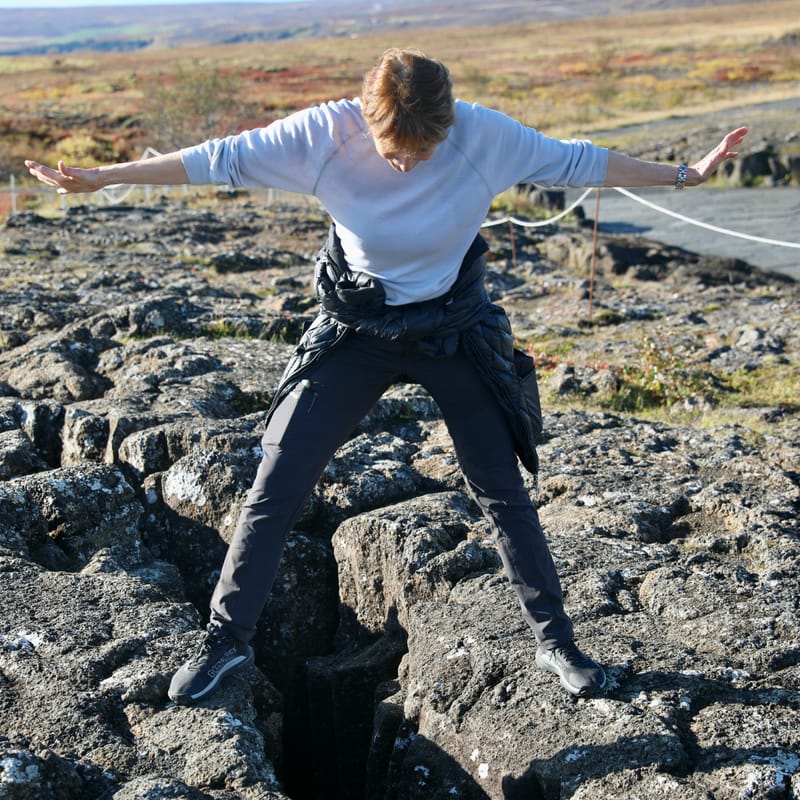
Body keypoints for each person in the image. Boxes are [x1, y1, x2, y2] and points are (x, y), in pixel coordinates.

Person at [26, 49, 748, 702]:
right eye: (392, 152)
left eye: (423, 153)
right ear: (364, 121)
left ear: (450, 127)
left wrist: (688, 172)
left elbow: (582, 161)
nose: (407, 165)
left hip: (455, 331)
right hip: (356, 331)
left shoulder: (486, 136)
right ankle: (226, 641)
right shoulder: (323, 136)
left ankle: (558, 646)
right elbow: (217, 158)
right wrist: (103, 178)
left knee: (502, 489)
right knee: (276, 481)